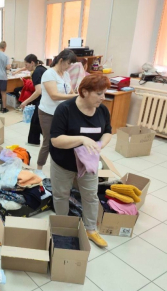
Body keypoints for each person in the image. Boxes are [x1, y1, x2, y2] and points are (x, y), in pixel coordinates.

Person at [49, 74, 112, 248]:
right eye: (99, 93)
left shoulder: (102, 110)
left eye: (104, 93)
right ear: (84, 92)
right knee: (61, 195)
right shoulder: (65, 109)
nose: (103, 97)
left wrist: (100, 144)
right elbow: (56, 140)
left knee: (90, 195)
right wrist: (81, 139)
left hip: (88, 163)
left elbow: (108, 131)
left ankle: (91, 229)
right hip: (63, 162)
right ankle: (63, 227)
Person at [37, 49, 77, 170]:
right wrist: (75, 96)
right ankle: (39, 168)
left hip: (62, 112)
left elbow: (70, 90)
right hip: (47, 113)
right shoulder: (49, 74)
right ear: (61, 60)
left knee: (61, 140)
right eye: (69, 63)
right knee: (48, 141)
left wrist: (75, 96)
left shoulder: (65, 74)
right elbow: (54, 95)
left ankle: (59, 166)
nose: (69, 66)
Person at [19, 54, 47, 146]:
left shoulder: (37, 72)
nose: (26, 67)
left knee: (37, 120)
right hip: (45, 99)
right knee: (36, 120)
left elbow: (38, 91)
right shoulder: (42, 69)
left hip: (44, 99)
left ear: (32, 63)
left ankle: (46, 140)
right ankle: (33, 141)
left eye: (27, 65)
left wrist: (25, 101)